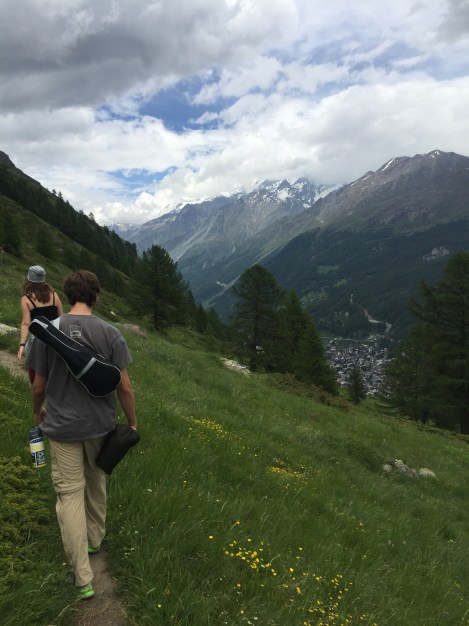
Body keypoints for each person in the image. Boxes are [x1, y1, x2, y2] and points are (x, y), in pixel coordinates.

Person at [27, 270, 137, 601]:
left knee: (69, 495)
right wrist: (131, 423)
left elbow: (38, 385)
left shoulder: (47, 331)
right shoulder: (110, 333)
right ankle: (94, 540)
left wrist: (38, 411)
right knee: (96, 480)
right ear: (95, 296)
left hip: (61, 428)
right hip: (100, 426)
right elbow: (125, 387)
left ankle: (82, 578)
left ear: (68, 295)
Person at [18, 265, 64, 382]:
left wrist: (22, 345)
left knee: (35, 370)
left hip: (37, 340)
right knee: (53, 370)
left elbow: (26, 323)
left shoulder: (26, 299)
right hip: (55, 337)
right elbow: (62, 318)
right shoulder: (54, 295)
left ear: (28, 279)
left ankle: (37, 388)